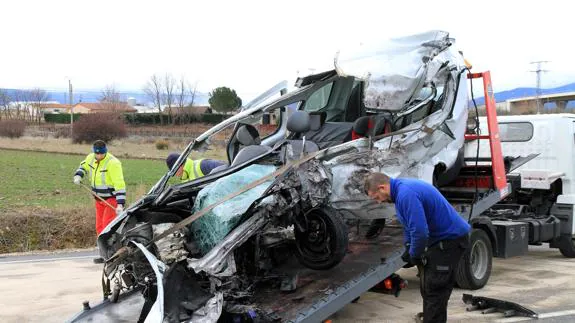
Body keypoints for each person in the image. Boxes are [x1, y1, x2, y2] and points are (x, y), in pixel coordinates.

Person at [364, 172, 471, 323]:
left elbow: (420, 231)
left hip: (450, 241)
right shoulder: (400, 192)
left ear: (382, 187)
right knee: (428, 288)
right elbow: (409, 225)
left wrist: (415, 254)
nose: (379, 202)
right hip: (440, 241)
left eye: (376, 198)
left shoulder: (406, 194)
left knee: (435, 289)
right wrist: (409, 247)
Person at [73, 140, 126, 263]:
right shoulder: (91, 158)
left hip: (111, 200)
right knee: (99, 227)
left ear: (105, 152)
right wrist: (79, 175)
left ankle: (112, 255)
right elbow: (84, 166)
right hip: (98, 199)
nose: (98, 156)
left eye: (101, 154)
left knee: (107, 227)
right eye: (97, 154)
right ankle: (104, 254)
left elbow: (119, 184)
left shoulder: (113, 163)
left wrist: (120, 204)